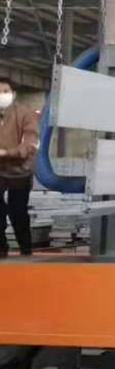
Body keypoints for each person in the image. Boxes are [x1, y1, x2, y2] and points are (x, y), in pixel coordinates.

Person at [0, 77, 39, 257]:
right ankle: (1, 248)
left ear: (13, 94)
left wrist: (8, 153)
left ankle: (25, 250)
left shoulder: (25, 114)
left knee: (17, 211)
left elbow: (30, 143)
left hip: (20, 169)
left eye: (5, 91)